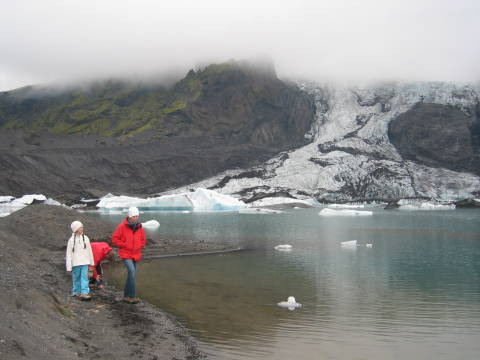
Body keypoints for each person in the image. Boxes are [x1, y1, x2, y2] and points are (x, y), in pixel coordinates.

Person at [112, 207, 146, 304]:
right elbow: (114, 239)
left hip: (136, 254)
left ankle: (126, 296)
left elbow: (143, 239)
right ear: (130, 216)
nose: (136, 218)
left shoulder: (139, 227)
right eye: (134, 216)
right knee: (132, 272)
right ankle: (132, 296)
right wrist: (124, 244)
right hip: (126, 254)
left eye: (137, 216)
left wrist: (141, 245)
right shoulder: (122, 227)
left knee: (131, 275)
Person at [66, 221, 94, 301]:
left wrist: (91, 262)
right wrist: (69, 266)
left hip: (85, 262)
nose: (82, 229)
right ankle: (76, 291)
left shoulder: (86, 238)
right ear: (76, 229)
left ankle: (84, 293)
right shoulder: (71, 241)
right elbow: (69, 254)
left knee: (84, 277)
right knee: (76, 278)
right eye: (80, 227)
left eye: (82, 227)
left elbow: (89, 250)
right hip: (76, 263)